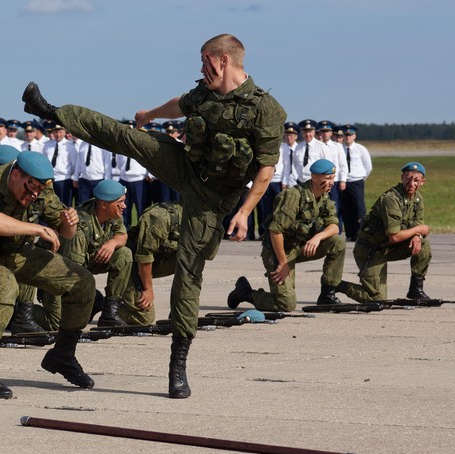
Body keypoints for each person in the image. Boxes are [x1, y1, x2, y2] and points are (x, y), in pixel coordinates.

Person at [22, 33, 286, 398]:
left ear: (221, 60)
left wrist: (244, 213)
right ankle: (51, 111)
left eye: (204, 61)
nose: (200, 67)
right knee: (129, 137)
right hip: (186, 168)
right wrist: (149, 115)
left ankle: (178, 364)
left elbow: (266, 169)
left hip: (214, 199)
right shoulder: (206, 92)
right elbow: (181, 104)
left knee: (188, 273)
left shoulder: (266, 109)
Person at [0, 150, 95, 399]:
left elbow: (67, 232)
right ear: (15, 174)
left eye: (38, 189)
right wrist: (38, 228)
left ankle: (63, 355)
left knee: (82, 281)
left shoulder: (40, 189)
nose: (34, 194)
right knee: (4, 284)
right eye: (30, 188)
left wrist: (70, 221)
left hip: (15, 252)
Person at [227, 159, 345, 311]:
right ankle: (246, 293)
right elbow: (275, 231)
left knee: (338, 242)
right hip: (278, 252)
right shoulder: (293, 196)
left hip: (299, 248)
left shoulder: (323, 197)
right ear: (314, 177)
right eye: (328, 178)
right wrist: (283, 263)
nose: (331, 182)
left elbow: (334, 226)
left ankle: (327, 295)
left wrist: (317, 238)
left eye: (333, 178)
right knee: (286, 304)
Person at [42, 180, 131, 329]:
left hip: (85, 264)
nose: (124, 206)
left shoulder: (113, 213)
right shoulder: (80, 228)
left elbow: (123, 236)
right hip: (58, 278)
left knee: (124, 254)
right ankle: (20, 315)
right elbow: (72, 274)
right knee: (58, 325)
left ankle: (110, 313)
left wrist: (112, 243)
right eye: (120, 202)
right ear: (103, 204)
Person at [337, 162, 431, 302]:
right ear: (402, 177)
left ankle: (416, 290)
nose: (411, 183)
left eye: (416, 180)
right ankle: (335, 284)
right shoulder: (391, 199)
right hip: (370, 250)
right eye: (408, 178)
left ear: (422, 182)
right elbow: (394, 236)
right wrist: (419, 230)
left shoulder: (417, 199)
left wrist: (417, 236)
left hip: (387, 247)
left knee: (424, 245)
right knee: (377, 299)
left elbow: (417, 221)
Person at [119, 202, 183, 325]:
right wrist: (148, 289)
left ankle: (179, 310)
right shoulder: (160, 218)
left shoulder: (200, 221)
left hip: (156, 261)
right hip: (133, 264)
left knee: (189, 259)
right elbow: (144, 256)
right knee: (144, 319)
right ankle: (108, 305)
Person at [339, 124, 373, 241]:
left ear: (355, 136)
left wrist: (361, 178)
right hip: (343, 182)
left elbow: (368, 166)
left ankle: (361, 234)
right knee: (346, 209)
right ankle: (350, 234)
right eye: (346, 135)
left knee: (359, 209)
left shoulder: (361, 149)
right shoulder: (339, 149)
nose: (348, 137)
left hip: (357, 181)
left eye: (350, 135)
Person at [42, 123, 77, 207]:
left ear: (65, 132)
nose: (58, 134)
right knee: (49, 204)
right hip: (50, 180)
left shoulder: (70, 146)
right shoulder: (47, 145)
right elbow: (44, 162)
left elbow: (74, 164)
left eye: (60, 132)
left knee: (63, 205)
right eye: (56, 132)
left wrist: (72, 177)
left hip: (64, 179)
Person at [284, 119, 328, 187]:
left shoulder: (321, 146)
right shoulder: (298, 147)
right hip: (300, 182)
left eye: (310, 131)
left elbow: (327, 166)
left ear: (314, 132)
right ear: (302, 132)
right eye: (305, 132)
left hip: (316, 182)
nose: (307, 134)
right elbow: (295, 165)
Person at [73, 132, 113, 204]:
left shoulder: (102, 145)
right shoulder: (83, 144)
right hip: (84, 179)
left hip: (98, 180)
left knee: (98, 205)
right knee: (83, 205)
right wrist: (75, 177)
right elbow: (79, 162)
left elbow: (107, 165)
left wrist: (107, 181)